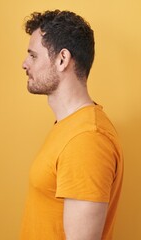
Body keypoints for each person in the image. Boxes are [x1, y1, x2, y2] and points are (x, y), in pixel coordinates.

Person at [20, 10, 124, 240]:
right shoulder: (70, 127)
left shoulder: (86, 140)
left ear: (62, 59)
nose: (24, 64)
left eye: (33, 56)